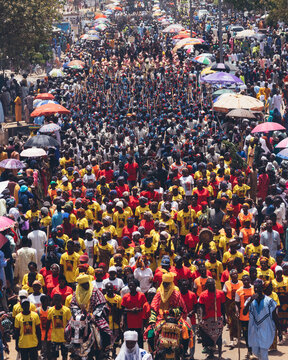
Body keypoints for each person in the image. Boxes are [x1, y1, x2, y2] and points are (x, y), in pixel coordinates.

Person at [243, 279, 280, 360]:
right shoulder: (250, 300)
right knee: (256, 351)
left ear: (262, 289)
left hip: (266, 329)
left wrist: (279, 329)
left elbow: (274, 316)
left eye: (259, 288)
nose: (256, 290)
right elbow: (244, 312)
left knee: (263, 351)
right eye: (255, 288)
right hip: (253, 329)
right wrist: (250, 301)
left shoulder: (269, 301)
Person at [198, 278, 226, 359]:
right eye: (209, 284)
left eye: (212, 284)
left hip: (218, 318)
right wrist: (201, 318)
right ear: (207, 285)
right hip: (207, 319)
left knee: (219, 336)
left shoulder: (220, 293)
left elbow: (223, 306)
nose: (211, 286)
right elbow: (201, 306)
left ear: (214, 284)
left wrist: (224, 317)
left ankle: (220, 354)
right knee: (208, 336)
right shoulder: (203, 294)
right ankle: (211, 353)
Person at [45, 294, 71, 360]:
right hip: (55, 338)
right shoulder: (51, 310)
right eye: (55, 301)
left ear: (61, 301)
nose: (57, 302)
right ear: (53, 301)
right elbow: (48, 323)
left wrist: (70, 335)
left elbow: (70, 323)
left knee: (64, 356)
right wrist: (46, 334)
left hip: (64, 338)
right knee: (54, 356)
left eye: (58, 301)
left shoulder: (66, 310)